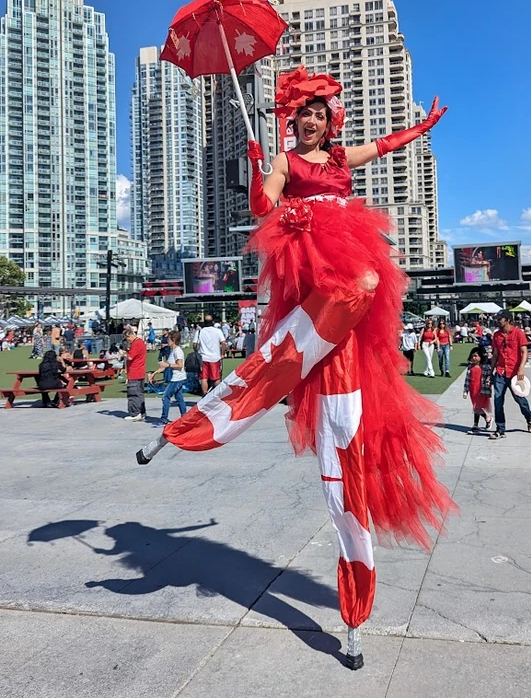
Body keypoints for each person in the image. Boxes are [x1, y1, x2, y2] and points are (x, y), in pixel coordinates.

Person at [135, 65, 451, 668]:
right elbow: (264, 205)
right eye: (300, 113)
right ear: (290, 119)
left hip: (350, 316)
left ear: (329, 118)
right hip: (313, 281)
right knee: (297, 361)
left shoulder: (337, 161)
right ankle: (189, 426)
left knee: (347, 458)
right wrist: (260, 168)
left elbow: (381, 146)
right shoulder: (285, 161)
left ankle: (355, 616)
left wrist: (423, 127)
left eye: (317, 113)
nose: (308, 121)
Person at [489, 309, 531, 439]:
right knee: (498, 400)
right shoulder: (497, 335)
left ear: (508, 320)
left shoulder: (518, 333)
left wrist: (521, 368)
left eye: (500, 319)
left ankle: (529, 418)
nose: (498, 321)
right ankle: (500, 428)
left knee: (520, 400)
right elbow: (495, 354)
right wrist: (490, 371)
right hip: (500, 371)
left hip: (515, 373)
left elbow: (524, 351)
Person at [150, 330, 187, 427]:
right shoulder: (172, 351)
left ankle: (164, 419)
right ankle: (185, 418)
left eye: (169, 339)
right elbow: (165, 366)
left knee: (165, 397)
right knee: (179, 398)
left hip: (177, 378)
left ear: (174, 340)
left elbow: (179, 365)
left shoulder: (177, 351)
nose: (167, 340)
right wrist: (155, 373)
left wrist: (168, 364)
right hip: (177, 378)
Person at [463, 347, 493, 433]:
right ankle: (488, 419)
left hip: (481, 389)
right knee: (477, 407)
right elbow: (467, 379)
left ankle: (475, 425)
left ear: (481, 356)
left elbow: (489, 376)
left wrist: (488, 381)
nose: (474, 358)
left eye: (476, 356)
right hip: (473, 390)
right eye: (472, 356)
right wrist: (465, 390)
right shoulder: (470, 367)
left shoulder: (485, 367)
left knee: (477, 407)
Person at [195, 314, 226, 395]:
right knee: (216, 378)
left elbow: (195, 344)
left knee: (204, 377)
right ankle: (219, 395)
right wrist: (223, 353)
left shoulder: (200, 331)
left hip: (203, 358)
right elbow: (223, 343)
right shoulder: (217, 331)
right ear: (212, 322)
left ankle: (205, 394)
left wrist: (198, 350)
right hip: (215, 358)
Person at [123, 327, 147, 421]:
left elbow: (130, 357)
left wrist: (123, 354)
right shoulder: (140, 342)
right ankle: (142, 412)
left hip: (134, 372)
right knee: (140, 393)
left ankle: (135, 413)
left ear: (130, 336)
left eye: (127, 338)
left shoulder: (136, 343)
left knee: (133, 393)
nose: (127, 341)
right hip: (139, 372)